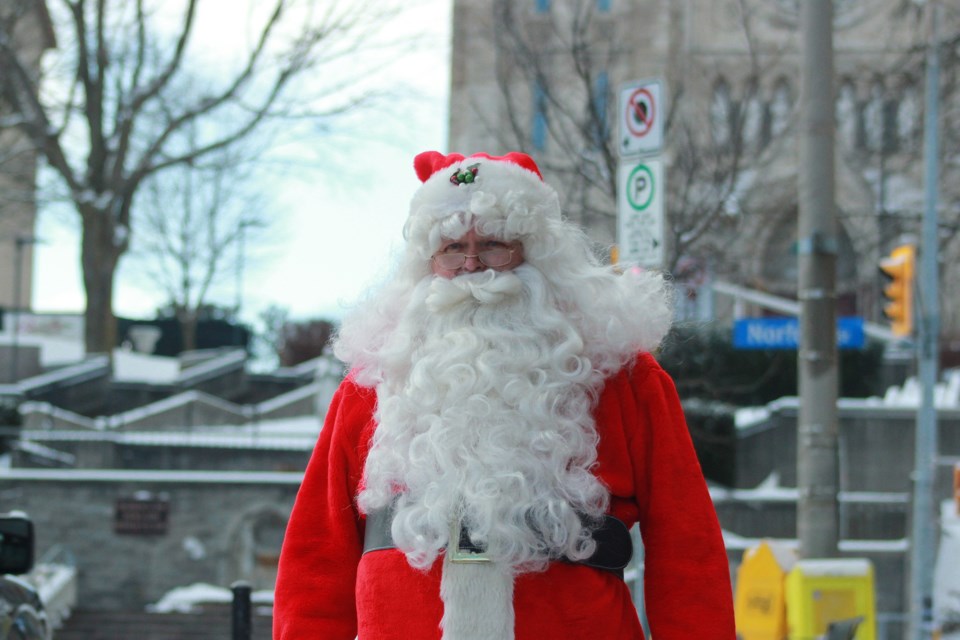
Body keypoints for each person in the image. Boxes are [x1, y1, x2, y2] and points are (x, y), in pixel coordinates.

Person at [273, 151, 736, 640]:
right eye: (452, 248)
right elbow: (316, 559)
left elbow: (688, 554)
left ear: (536, 254)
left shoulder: (623, 378)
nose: (472, 266)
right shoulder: (374, 381)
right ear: (428, 263)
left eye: (493, 245)